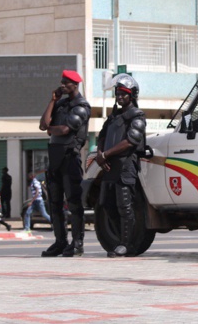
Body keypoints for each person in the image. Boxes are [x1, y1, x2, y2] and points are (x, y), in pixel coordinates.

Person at [39, 69, 90, 257]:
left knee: (74, 203)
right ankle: (60, 241)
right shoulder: (60, 104)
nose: (62, 85)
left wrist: (50, 129)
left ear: (74, 85)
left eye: (65, 82)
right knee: (54, 203)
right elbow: (43, 124)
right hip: (55, 158)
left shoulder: (81, 106)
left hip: (70, 158)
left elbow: (65, 129)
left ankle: (77, 244)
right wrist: (52, 100)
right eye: (61, 81)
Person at [95, 75, 146, 258]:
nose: (120, 96)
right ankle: (119, 240)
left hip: (125, 166)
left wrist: (106, 154)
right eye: (118, 93)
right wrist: (100, 154)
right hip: (109, 167)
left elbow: (130, 141)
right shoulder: (113, 117)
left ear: (132, 95)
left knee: (125, 206)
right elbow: (101, 135)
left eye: (124, 93)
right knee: (107, 205)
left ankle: (126, 244)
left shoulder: (138, 116)